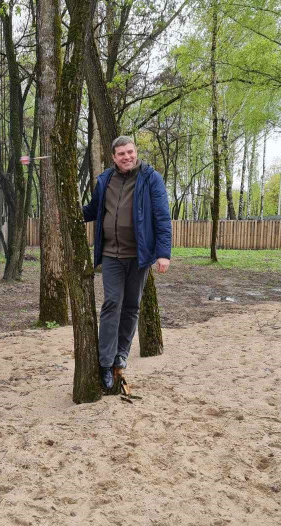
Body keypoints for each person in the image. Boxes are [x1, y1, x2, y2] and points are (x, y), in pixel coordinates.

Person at [82, 136, 172, 389]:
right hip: (111, 255)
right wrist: (68, 212)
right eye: (121, 153)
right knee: (112, 303)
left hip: (139, 256)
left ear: (136, 152)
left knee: (131, 306)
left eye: (130, 152)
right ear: (113, 157)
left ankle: (121, 355)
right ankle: (105, 362)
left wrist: (163, 253)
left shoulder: (150, 178)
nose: (127, 157)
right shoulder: (105, 180)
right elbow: (93, 210)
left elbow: (162, 217)